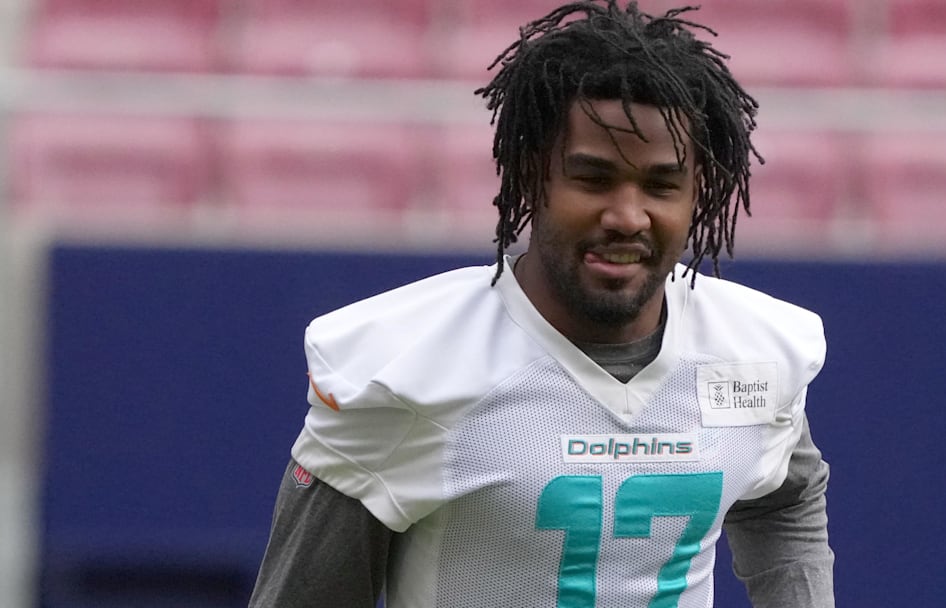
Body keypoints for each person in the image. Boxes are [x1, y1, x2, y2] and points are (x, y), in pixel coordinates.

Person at [249, 1, 835, 606]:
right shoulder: (406, 369)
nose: (628, 216)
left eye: (661, 186)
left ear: (699, 195)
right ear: (533, 176)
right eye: (593, 178)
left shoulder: (756, 353)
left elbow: (785, 501)